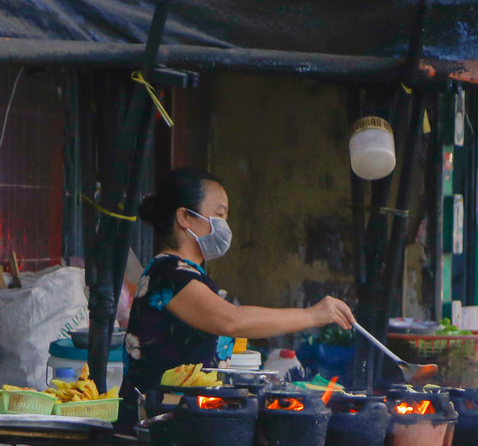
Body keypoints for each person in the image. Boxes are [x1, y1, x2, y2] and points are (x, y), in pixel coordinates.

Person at [120, 167, 355, 418]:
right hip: (151, 426)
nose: (225, 226)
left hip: (180, 422)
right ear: (184, 217)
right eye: (219, 215)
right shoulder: (167, 274)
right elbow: (232, 320)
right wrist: (313, 315)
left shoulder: (188, 274)